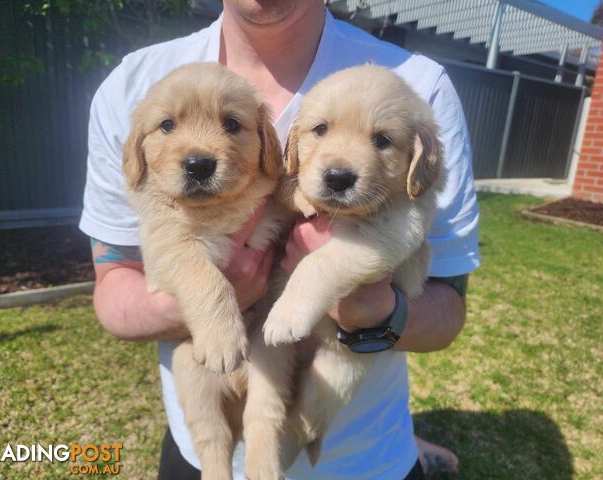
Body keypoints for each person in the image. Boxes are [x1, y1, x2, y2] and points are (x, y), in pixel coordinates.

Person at [79, 1, 480, 479]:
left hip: (364, 459)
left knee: (312, 397)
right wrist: (215, 300)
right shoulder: (131, 84)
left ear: (271, 143)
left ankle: (305, 433)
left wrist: (373, 314)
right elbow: (113, 287)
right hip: (201, 442)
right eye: (168, 126)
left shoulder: (420, 86)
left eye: (232, 125)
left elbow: (448, 309)